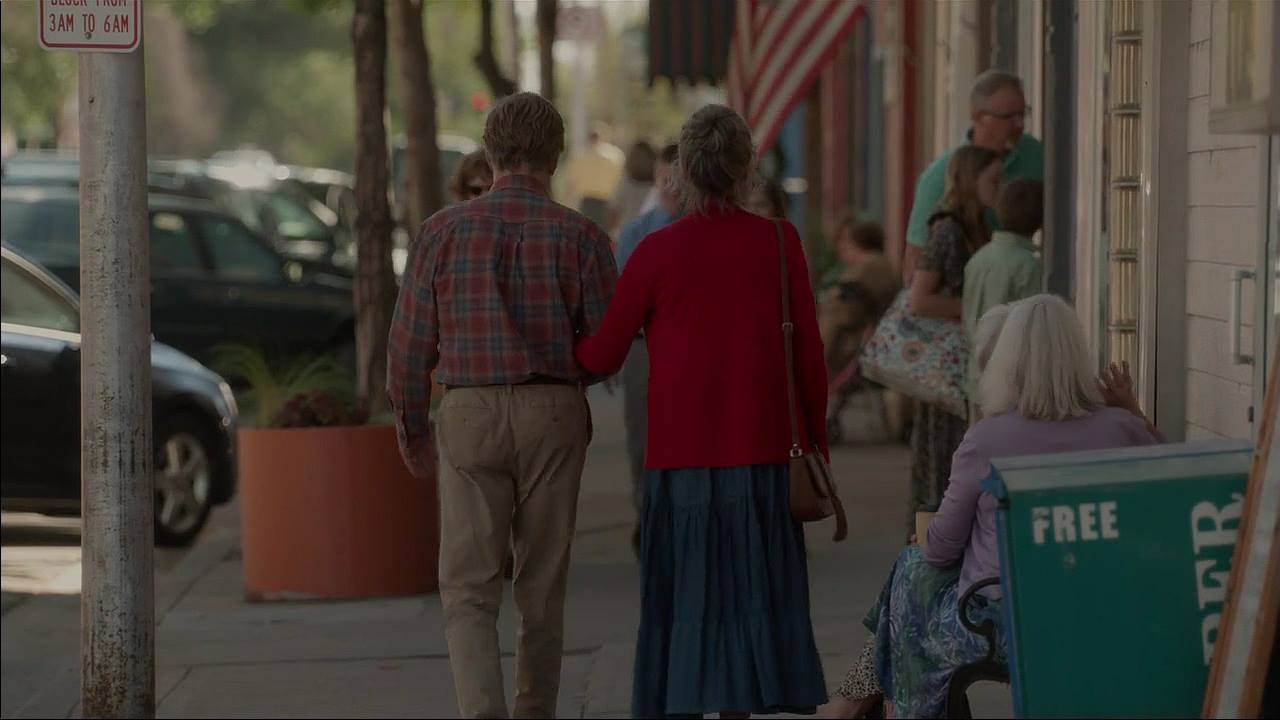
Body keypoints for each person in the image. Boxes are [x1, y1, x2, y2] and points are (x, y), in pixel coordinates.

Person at [574, 105, 829, 718]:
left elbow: (602, 354)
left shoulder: (655, 252)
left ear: (682, 172)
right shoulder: (779, 243)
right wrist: (815, 447)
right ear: (746, 172)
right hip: (763, 456)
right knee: (749, 602)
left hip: (678, 462)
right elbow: (810, 359)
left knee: (687, 605)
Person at [387, 92, 617, 719]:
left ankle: (481, 711)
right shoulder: (583, 236)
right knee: (542, 585)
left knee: (468, 587)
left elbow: (408, 348)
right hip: (553, 409)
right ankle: (534, 709)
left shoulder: (440, 232)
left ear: (488, 154)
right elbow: (608, 344)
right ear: (555, 156)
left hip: (469, 410)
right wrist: (569, 374)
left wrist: (412, 428)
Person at [825, 296, 1163, 719]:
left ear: (1008, 361)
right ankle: (865, 703)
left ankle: (886, 707)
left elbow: (940, 550)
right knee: (913, 576)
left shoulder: (988, 439)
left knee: (914, 570)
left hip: (1004, 630)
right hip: (1101, 618)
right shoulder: (1122, 430)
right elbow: (1175, 486)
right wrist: (1133, 412)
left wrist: (947, 541)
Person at [906, 145, 1002, 536]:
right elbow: (919, 298)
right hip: (945, 375)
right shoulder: (948, 230)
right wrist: (974, 308)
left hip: (969, 367)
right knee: (944, 470)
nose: (999, 187)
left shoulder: (982, 227)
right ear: (970, 180)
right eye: (993, 179)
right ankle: (930, 550)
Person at [902, 70, 1044, 283]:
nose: (1020, 124)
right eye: (1008, 117)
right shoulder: (939, 176)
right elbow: (915, 264)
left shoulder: (1036, 155)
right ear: (977, 116)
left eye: (1022, 114)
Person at [615, 143, 682, 556]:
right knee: (641, 437)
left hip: (691, 351)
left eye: (678, 177)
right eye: (664, 176)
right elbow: (623, 300)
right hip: (644, 348)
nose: (671, 185)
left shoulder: (704, 229)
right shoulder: (636, 233)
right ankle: (648, 513)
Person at [962, 177, 1043, 422]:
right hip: (1010, 385)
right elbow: (1032, 330)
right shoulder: (1028, 266)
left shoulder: (979, 258)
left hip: (976, 378)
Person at [818, 218, 901, 443]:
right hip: (861, 336)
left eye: (846, 241)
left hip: (856, 341)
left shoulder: (868, 266)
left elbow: (848, 312)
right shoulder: (873, 265)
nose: (841, 247)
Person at [566, 127, 625, 228]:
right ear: (604, 138)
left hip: (587, 203)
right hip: (607, 203)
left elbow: (572, 184)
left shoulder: (580, 157)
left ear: (589, 139)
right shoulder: (615, 156)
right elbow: (621, 180)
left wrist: (568, 205)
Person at [606, 140, 658, 236]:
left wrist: (609, 232)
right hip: (648, 233)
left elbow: (614, 212)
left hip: (626, 232)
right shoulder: (657, 186)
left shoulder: (624, 183)